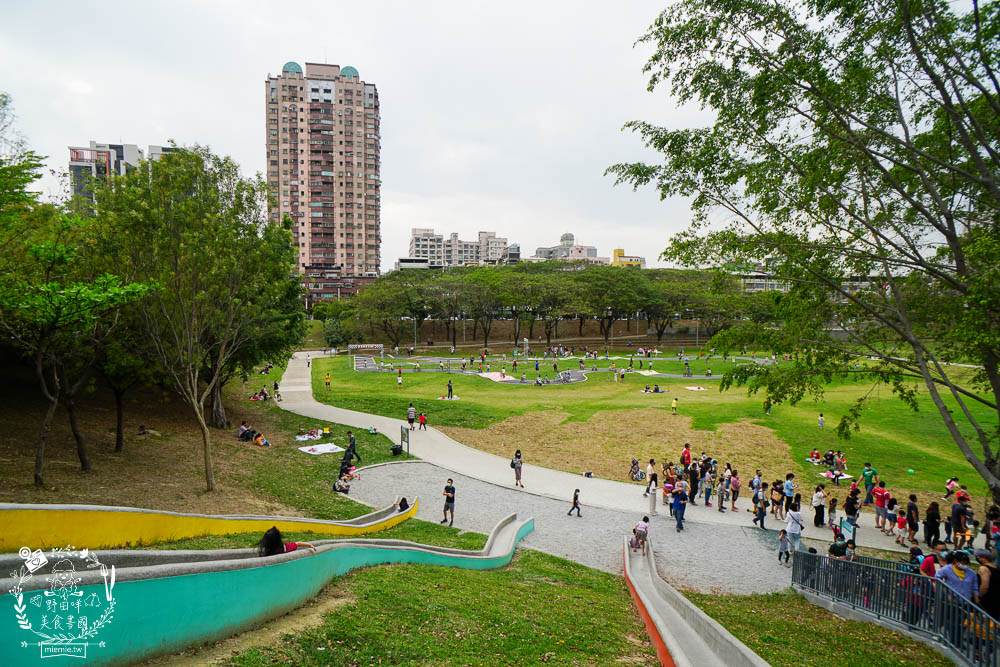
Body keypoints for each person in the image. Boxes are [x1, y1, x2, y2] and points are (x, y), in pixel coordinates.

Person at [976, 549, 1000, 619]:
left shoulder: (984, 569)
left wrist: (979, 597)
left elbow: (985, 586)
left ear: (982, 557)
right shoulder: (997, 568)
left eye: (978, 557)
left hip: (987, 599)